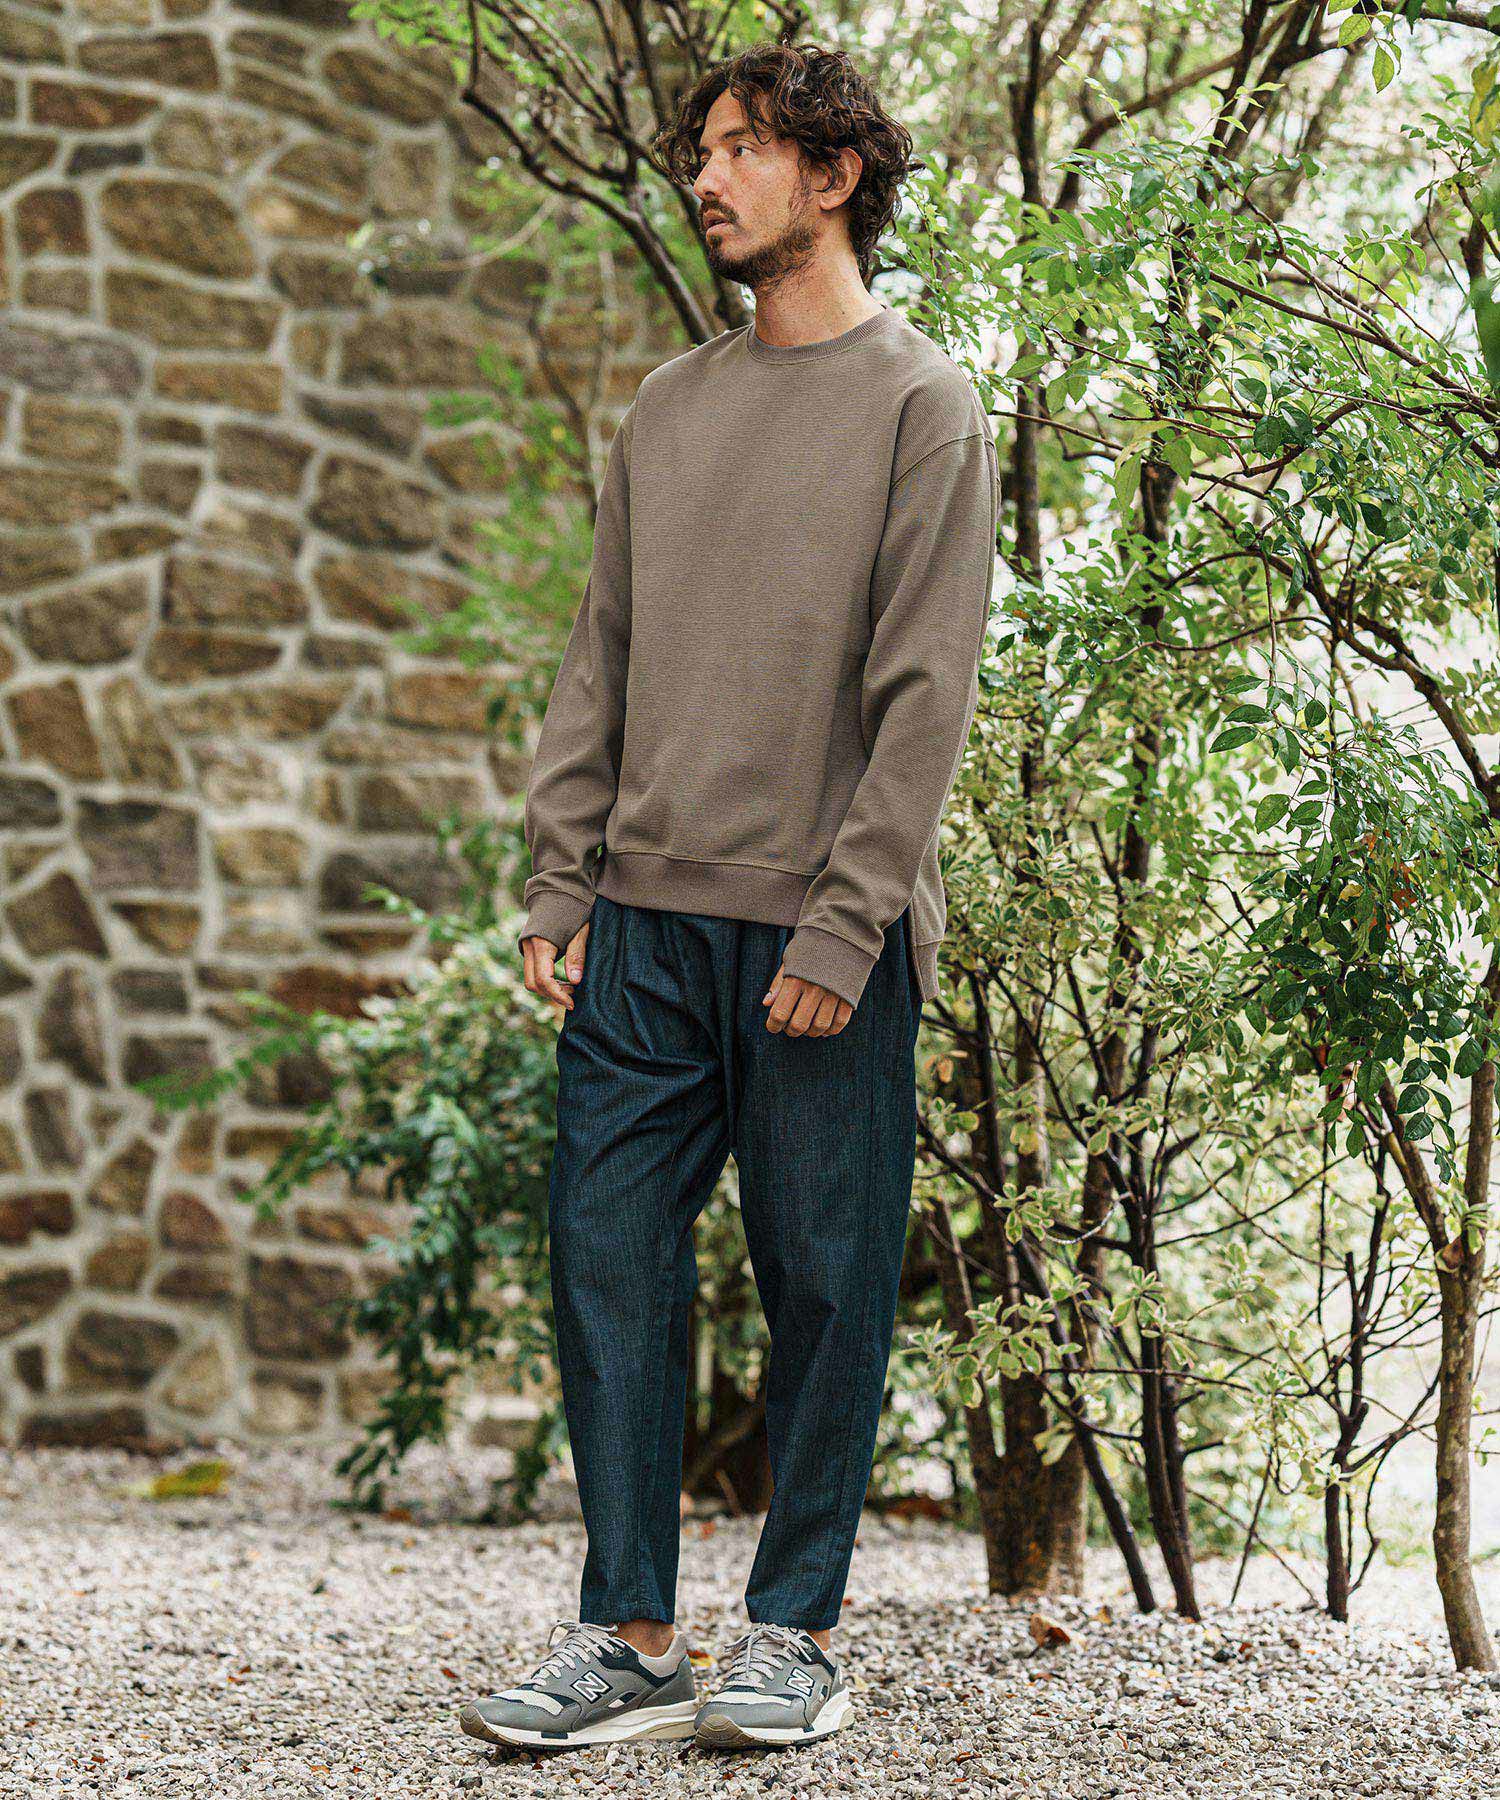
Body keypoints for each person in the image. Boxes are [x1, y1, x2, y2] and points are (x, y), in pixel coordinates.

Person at [460, 38, 999, 1755]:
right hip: (645, 920)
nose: (705, 178)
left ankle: (794, 1632)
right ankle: (631, 1635)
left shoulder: (923, 406)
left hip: (820, 931)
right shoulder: (669, 409)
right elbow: (600, 656)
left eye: (746, 148)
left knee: (825, 1284)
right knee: (606, 1254)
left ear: (835, 177)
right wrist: (560, 877)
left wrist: (847, 923)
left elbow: (925, 696)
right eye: (704, 150)